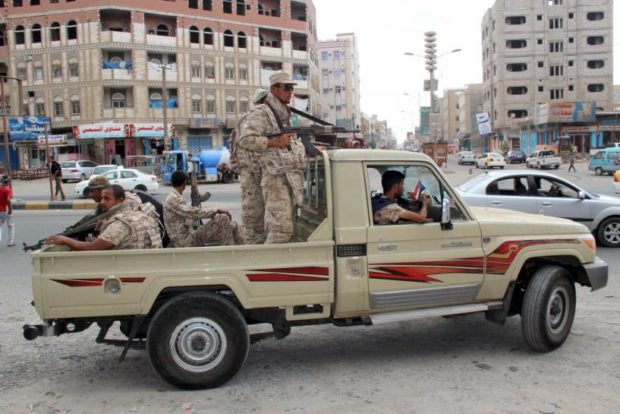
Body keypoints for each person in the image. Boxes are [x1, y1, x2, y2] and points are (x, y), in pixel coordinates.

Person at [236, 73, 307, 244]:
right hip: (271, 176)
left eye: (291, 88)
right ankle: (265, 265)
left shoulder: (280, 113)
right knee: (278, 230)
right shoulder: (262, 112)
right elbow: (245, 140)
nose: (290, 92)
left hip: (281, 174)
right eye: (286, 88)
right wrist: (274, 142)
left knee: (267, 230)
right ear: (274, 89)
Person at [45, 184, 162, 250]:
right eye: (101, 198)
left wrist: (65, 240)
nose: (101, 202)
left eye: (106, 199)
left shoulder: (121, 223)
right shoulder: (137, 212)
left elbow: (92, 248)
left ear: (120, 200)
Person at [164, 171, 244, 247]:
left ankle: (244, 245)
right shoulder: (173, 199)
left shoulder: (176, 197)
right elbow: (194, 213)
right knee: (223, 218)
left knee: (232, 223)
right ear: (185, 182)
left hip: (189, 236)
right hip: (185, 241)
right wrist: (217, 210)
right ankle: (228, 252)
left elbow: (189, 211)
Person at [0, 175, 15, 247]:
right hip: (4, 210)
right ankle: (10, 242)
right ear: (8, 182)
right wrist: (10, 210)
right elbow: (8, 200)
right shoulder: (8, 190)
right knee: (10, 226)